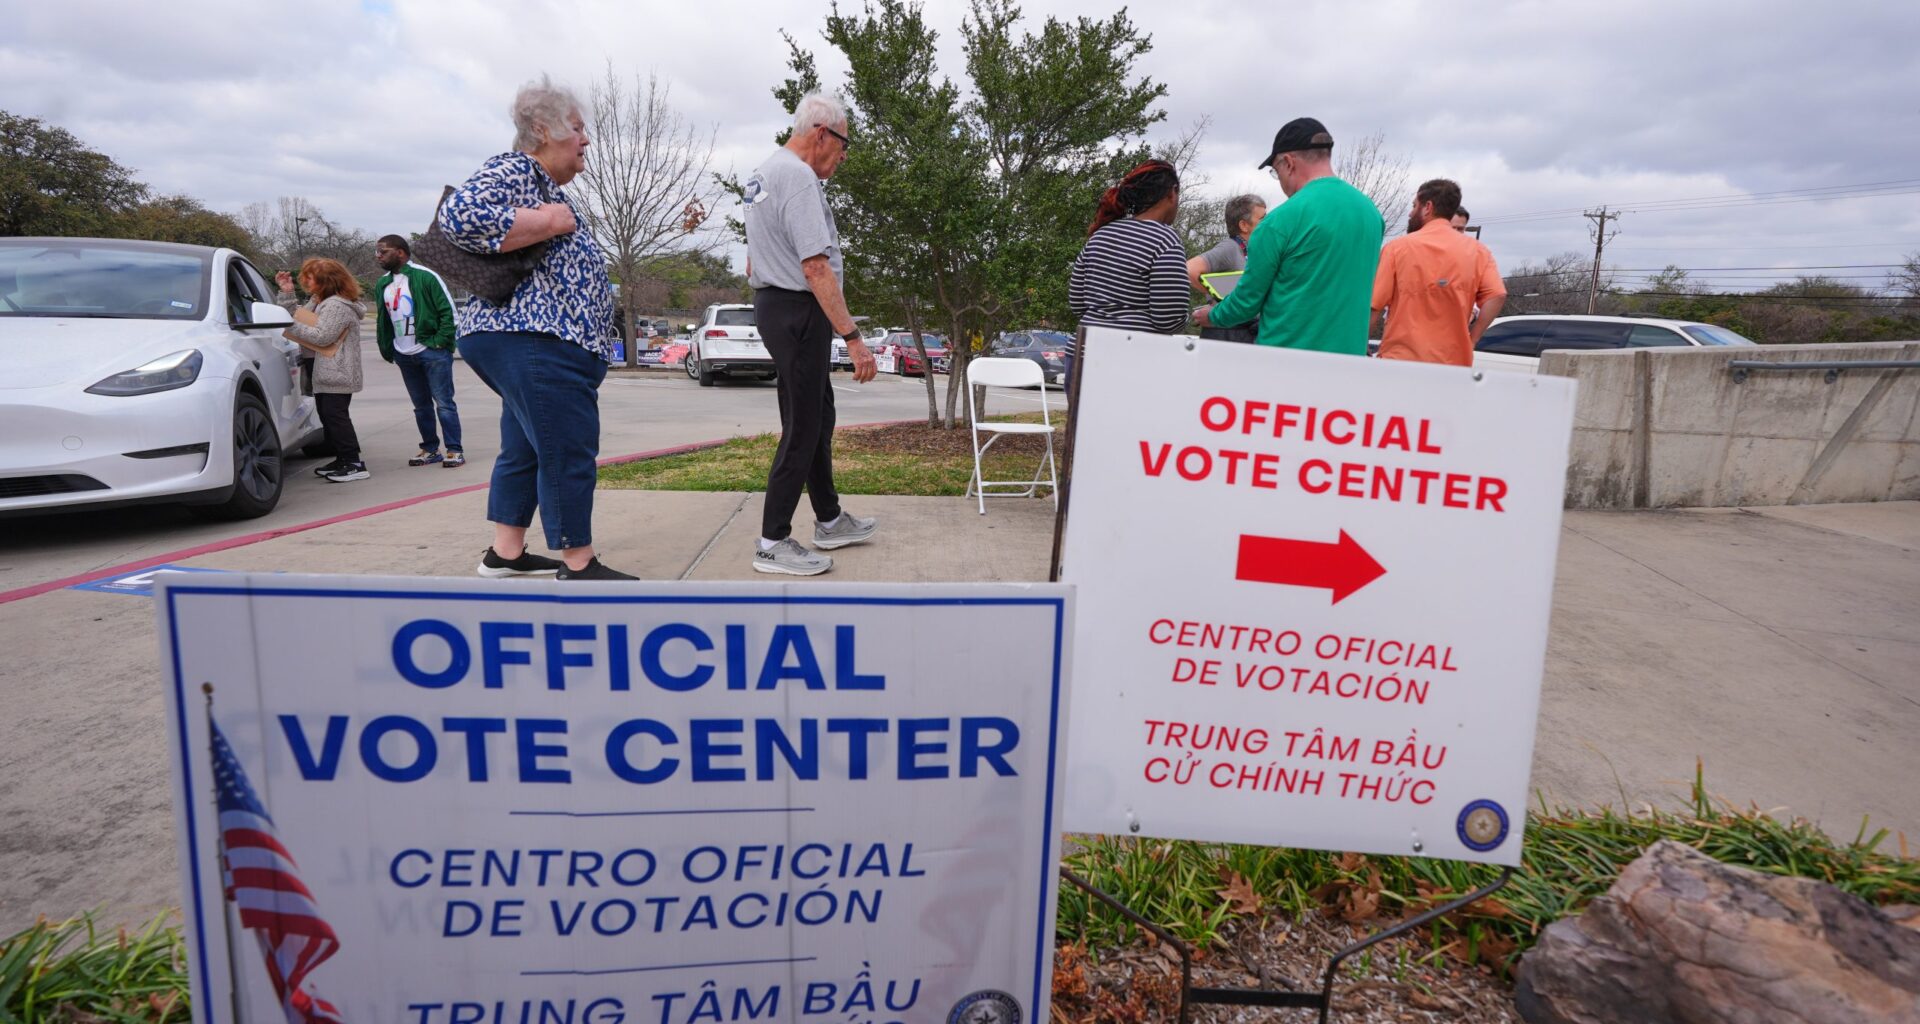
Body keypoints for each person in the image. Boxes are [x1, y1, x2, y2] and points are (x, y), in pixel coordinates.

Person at [440, 75, 634, 582]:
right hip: (534, 337)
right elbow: (460, 216)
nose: (586, 139)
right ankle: (578, 561)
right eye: (578, 128)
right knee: (568, 447)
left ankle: (505, 553)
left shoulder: (540, 184)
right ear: (543, 129)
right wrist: (551, 221)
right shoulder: (518, 168)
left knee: (526, 446)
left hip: (533, 339)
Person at [741, 92, 879, 577]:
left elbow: (754, 259)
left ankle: (829, 518)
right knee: (802, 425)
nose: (843, 157)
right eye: (843, 146)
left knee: (818, 414)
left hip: (780, 306)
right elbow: (816, 267)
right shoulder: (796, 177)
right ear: (822, 133)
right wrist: (854, 337)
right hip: (798, 309)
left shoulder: (762, 173)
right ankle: (772, 541)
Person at [1194, 118, 1384, 353]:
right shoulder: (1371, 215)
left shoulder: (1278, 222)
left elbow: (1246, 303)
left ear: (1288, 163)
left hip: (1287, 362)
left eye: (1275, 171)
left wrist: (1212, 316)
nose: (1280, 180)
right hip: (1350, 360)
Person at [1370, 179, 1507, 367]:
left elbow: (1373, 308)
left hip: (1401, 362)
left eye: (1414, 206)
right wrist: (1472, 340)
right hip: (1452, 364)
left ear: (1427, 207)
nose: (1410, 213)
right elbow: (1498, 295)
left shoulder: (1397, 249)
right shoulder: (1478, 252)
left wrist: (1358, 348)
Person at [374, 235, 465, 468]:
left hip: (431, 351)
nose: (378, 256)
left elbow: (448, 313)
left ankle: (454, 450)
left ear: (401, 252)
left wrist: (439, 342)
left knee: (444, 403)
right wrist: (388, 348)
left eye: (383, 251)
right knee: (420, 406)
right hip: (403, 353)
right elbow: (383, 320)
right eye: (378, 252)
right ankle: (430, 449)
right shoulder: (382, 284)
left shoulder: (425, 277)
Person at [281, 258, 368, 482]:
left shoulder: (337, 305)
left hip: (337, 370)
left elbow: (322, 336)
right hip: (325, 370)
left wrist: (288, 324)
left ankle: (353, 463)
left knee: (335, 417)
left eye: (310, 278)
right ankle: (343, 458)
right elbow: (299, 318)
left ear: (325, 280)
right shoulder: (320, 300)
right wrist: (288, 295)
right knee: (328, 416)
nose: (306, 282)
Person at [1188, 194, 1267, 343]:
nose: (1269, 223)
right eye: (1263, 219)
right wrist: (1220, 296)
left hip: (1247, 334)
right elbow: (1190, 270)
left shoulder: (1254, 251)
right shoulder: (1230, 247)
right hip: (1225, 335)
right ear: (1244, 225)